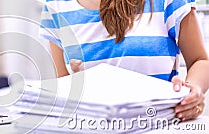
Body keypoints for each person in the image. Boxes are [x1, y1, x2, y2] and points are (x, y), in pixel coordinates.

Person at [39, 0, 209, 121]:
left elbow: (200, 61)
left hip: (158, 125)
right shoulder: (55, 7)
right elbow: (63, 87)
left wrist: (192, 94)